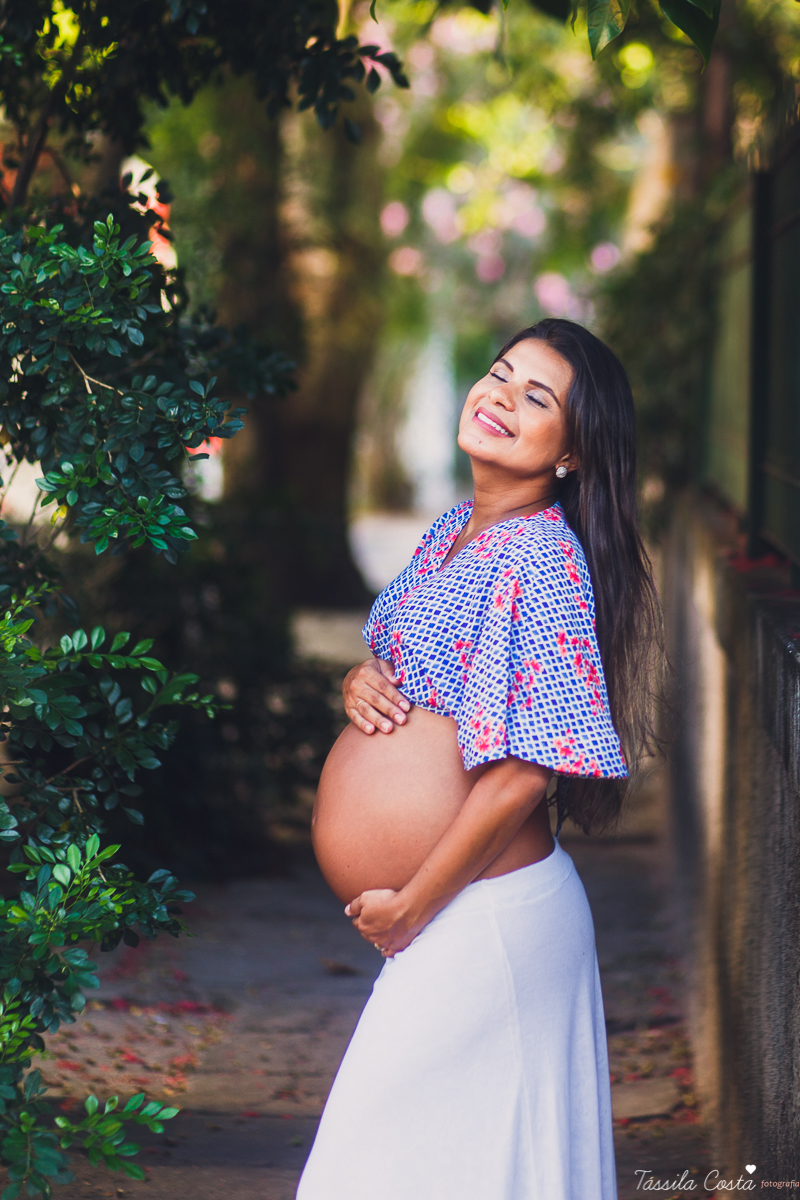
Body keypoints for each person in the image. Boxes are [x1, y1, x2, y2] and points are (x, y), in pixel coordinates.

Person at [296, 318, 662, 1200]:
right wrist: (359, 680)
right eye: (499, 375)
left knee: (370, 1169)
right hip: (450, 915)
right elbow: (409, 669)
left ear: (571, 454)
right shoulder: (457, 529)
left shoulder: (543, 558)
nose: (499, 395)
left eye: (537, 397)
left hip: (478, 916)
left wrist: (413, 907)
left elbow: (527, 773)